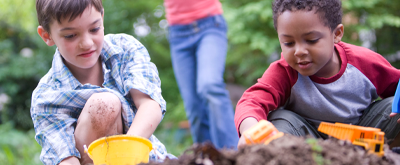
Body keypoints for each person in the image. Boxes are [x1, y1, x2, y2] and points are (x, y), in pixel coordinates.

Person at [235, 0, 400, 148]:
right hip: (305, 145)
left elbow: (397, 83)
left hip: (363, 139)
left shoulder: (364, 62)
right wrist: (250, 129)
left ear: (336, 34)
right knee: (279, 119)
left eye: (311, 40)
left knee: (394, 105)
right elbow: (252, 101)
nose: (299, 51)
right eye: (288, 43)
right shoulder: (284, 71)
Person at [31, 0, 174, 164]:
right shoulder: (47, 96)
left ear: (102, 18)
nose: (87, 43)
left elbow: (149, 104)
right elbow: (65, 159)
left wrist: (127, 152)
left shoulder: (124, 48)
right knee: (105, 104)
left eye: (94, 29)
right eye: (70, 35)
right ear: (47, 36)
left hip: (142, 157)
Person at [164, 0, 238, 149]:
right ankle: (207, 156)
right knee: (193, 105)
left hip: (209, 24)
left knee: (209, 85)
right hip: (177, 34)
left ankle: (232, 153)